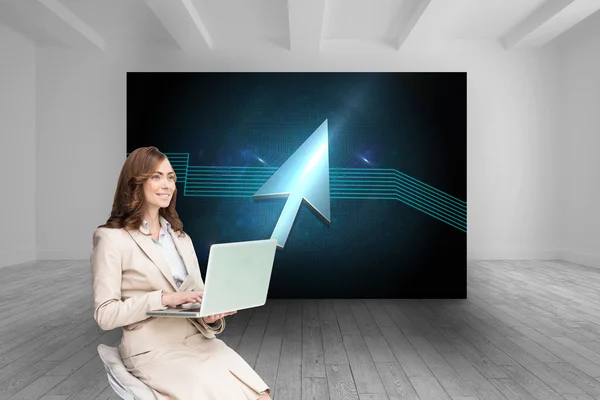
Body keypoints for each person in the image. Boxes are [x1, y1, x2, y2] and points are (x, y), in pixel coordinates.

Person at [90, 146, 272, 400]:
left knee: (261, 395)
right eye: (157, 176)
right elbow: (105, 314)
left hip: (198, 341)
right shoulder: (111, 239)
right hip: (152, 350)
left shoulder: (180, 237)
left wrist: (211, 317)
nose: (167, 184)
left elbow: (198, 297)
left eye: (171, 177)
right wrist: (162, 299)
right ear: (136, 183)